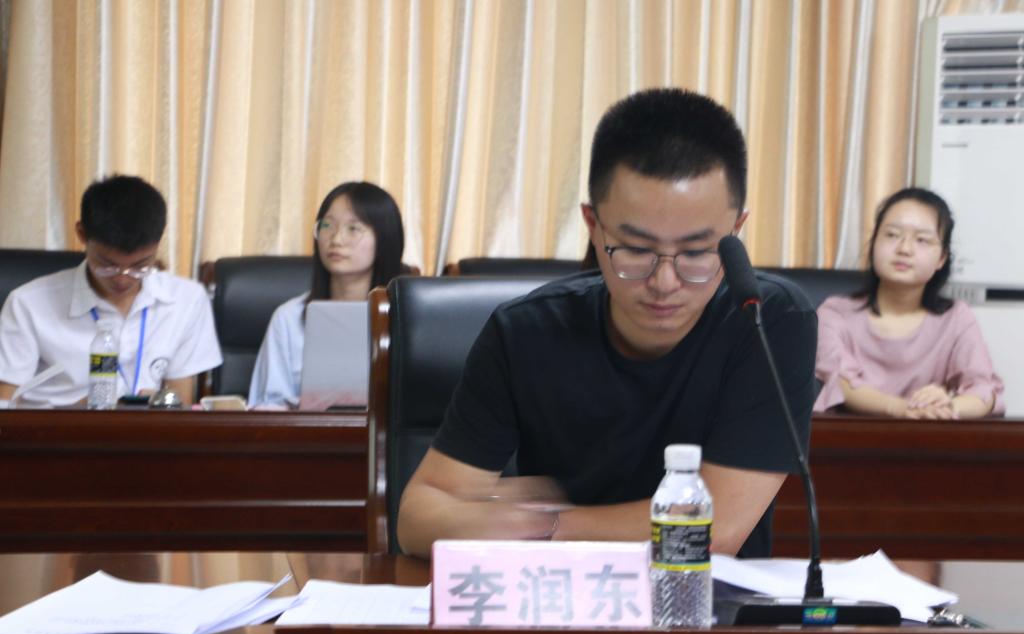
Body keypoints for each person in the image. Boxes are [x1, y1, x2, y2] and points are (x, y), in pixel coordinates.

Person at [397, 88, 818, 559]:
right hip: (557, 597)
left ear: (736, 231)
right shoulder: (524, 333)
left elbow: (712, 533)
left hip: (702, 598)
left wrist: (545, 525)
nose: (664, 282)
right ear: (593, 225)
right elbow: (417, 518)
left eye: (697, 252)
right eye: (635, 249)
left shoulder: (766, 320)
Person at [0, 175, 221, 407]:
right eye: (108, 265)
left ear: (159, 241)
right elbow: (4, 407)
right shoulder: (28, 304)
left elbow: (180, 406)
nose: (122, 278)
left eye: (139, 266)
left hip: (148, 429)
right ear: (82, 234)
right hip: (56, 429)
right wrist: (75, 412)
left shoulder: (186, 300)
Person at [814, 187, 1003, 418]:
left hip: (930, 438)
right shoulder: (834, 313)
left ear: (942, 258)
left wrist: (950, 406)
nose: (904, 249)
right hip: (848, 438)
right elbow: (838, 382)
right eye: (892, 235)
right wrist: (903, 409)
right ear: (873, 243)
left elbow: (984, 391)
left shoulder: (956, 318)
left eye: (922, 240)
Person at [248, 181, 405, 408]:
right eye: (327, 225)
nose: (336, 239)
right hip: (305, 431)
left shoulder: (406, 320)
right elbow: (267, 407)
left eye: (353, 229)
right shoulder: (289, 318)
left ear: (385, 239)